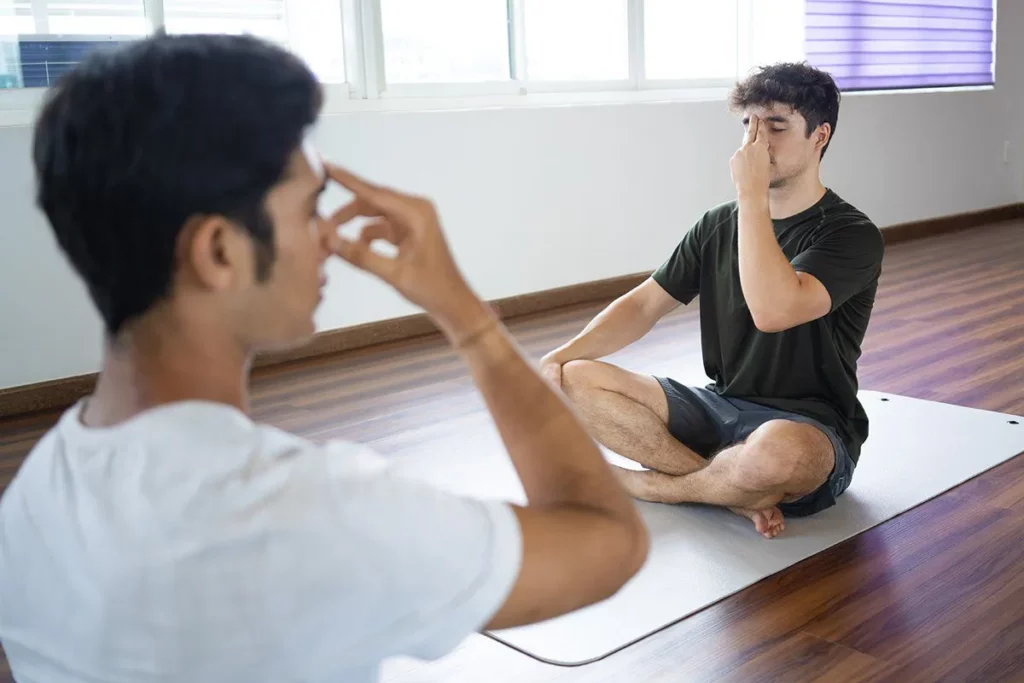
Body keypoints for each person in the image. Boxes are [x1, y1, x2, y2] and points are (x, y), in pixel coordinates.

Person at [0, 34, 649, 683]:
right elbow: (611, 540)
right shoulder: (310, 515)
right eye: (311, 210)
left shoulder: (32, 498)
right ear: (219, 251)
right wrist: (467, 317)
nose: (330, 239)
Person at [541, 63, 884, 540]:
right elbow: (643, 306)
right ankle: (729, 492)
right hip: (719, 406)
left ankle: (657, 486)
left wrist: (751, 194)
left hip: (807, 426)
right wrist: (557, 359)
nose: (755, 143)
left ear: (819, 135)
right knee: (576, 376)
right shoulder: (717, 223)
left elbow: (774, 311)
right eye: (749, 125)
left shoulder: (851, 234)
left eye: (777, 126)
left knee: (773, 455)